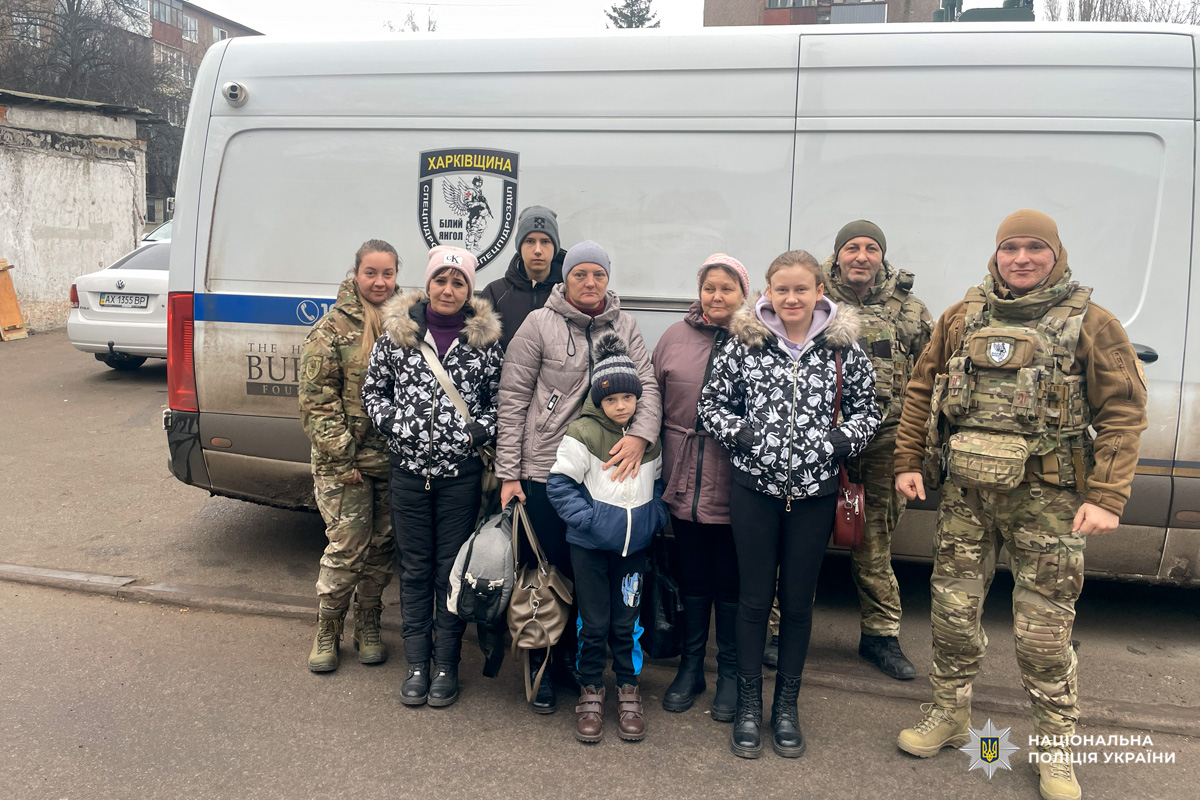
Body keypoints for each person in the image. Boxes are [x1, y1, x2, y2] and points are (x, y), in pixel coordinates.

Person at [893, 210, 1147, 800]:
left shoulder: (1094, 322)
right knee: (952, 612)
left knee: (1043, 632)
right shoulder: (962, 316)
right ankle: (950, 713)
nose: (1022, 258)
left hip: (1050, 503)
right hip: (967, 496)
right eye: (1011, 248)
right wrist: (908, 460)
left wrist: (1107, 496)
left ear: (1056, 254)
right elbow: (921, 389)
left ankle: (1055, 746)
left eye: (1035, 247)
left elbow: (1124, 414)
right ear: (996, 253)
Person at [699, 250, 880, 759]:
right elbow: (710, 406)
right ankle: (749, 705)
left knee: (798, 605)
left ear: (820, 291)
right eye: (782, 289)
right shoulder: (744, 343)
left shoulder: (843, 348)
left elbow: (869, 410)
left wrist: (838, 441)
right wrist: (745, 436)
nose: (792, 298)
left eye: (802, 289)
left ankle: (786, 708)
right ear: (768, 293)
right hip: (754, 492)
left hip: (814, 496)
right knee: (754, 602)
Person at [496, 239, 662, 714]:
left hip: (609, 472)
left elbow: (648, 387)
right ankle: (543, 665)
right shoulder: (538, 324)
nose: (590, 283)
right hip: (547, 469)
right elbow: (512, 398)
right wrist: (509, 473)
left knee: (584, 576)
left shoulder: (624, 325)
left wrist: (641, 436)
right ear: (564, 279)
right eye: (580, 275)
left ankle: (576, 664)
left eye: (598, 275)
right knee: (547, 574)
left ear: (608, 279)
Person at [361, 245, 503, 708]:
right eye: (441, 280)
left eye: (458, 282)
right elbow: (374, 391)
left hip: (459, 476)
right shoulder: (397, 335)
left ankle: (445, 664)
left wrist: (479, 429)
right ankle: (417, 664)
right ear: (428, 285)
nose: (448, 289)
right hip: (408, 473)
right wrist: (396, 425)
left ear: (468, 290)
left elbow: (500, 399)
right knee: (416, 570)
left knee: (449, 572)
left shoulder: (485, 343)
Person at [546, 333, 668, 744]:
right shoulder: (582, 433)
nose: (621, 406)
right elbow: (559, 484)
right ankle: (591, 689)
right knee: (594, 623)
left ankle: (629, 689)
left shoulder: (648, 440)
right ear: (598, 400)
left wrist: (655, 517)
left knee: (626, 623)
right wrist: (589, 522)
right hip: (591, 548)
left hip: (634, 549)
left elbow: (659, 483)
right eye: (611, 399)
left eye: (628, 397)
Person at [823, 220, 932, 679]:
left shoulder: (910, 311)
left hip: (885, 442)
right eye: (852, 247)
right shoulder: (814, 300)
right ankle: (776, 631)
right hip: (818, 443)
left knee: (874, 544)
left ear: (882, 257)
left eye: (871, 248)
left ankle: (880, 637)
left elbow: (931, 379)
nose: (861, 256)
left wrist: (919, 446)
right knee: (794, 542)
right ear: (838, 255)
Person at [652, 253, 750, 722]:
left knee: (729, 581)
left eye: (727, 288)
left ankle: (728, 671)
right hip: (682, 477)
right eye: (709, 287)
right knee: (691, 576)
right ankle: (691, 668)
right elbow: (651, 402)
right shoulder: (674, 336)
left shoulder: (758, 341)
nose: (717, 296)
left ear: (743, 294)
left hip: (734, 480)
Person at [299, 239, 400, 673]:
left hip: (392, 463)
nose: (379, 282)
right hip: (346, 466)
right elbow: (317, 402)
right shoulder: (331, 329)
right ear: (355, 274)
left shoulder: (407, 324)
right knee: (347, 549)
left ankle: (369, 624)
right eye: (370, 273)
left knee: (381, 549)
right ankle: (328, 628)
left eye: (387, 273)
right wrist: (343, 460)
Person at [481, 205, 567, 351]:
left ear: (555, 247)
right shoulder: (495, 293)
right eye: (530, 241)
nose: (538, 250)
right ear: (519, 246)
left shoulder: (569, 292)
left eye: (545, 241)